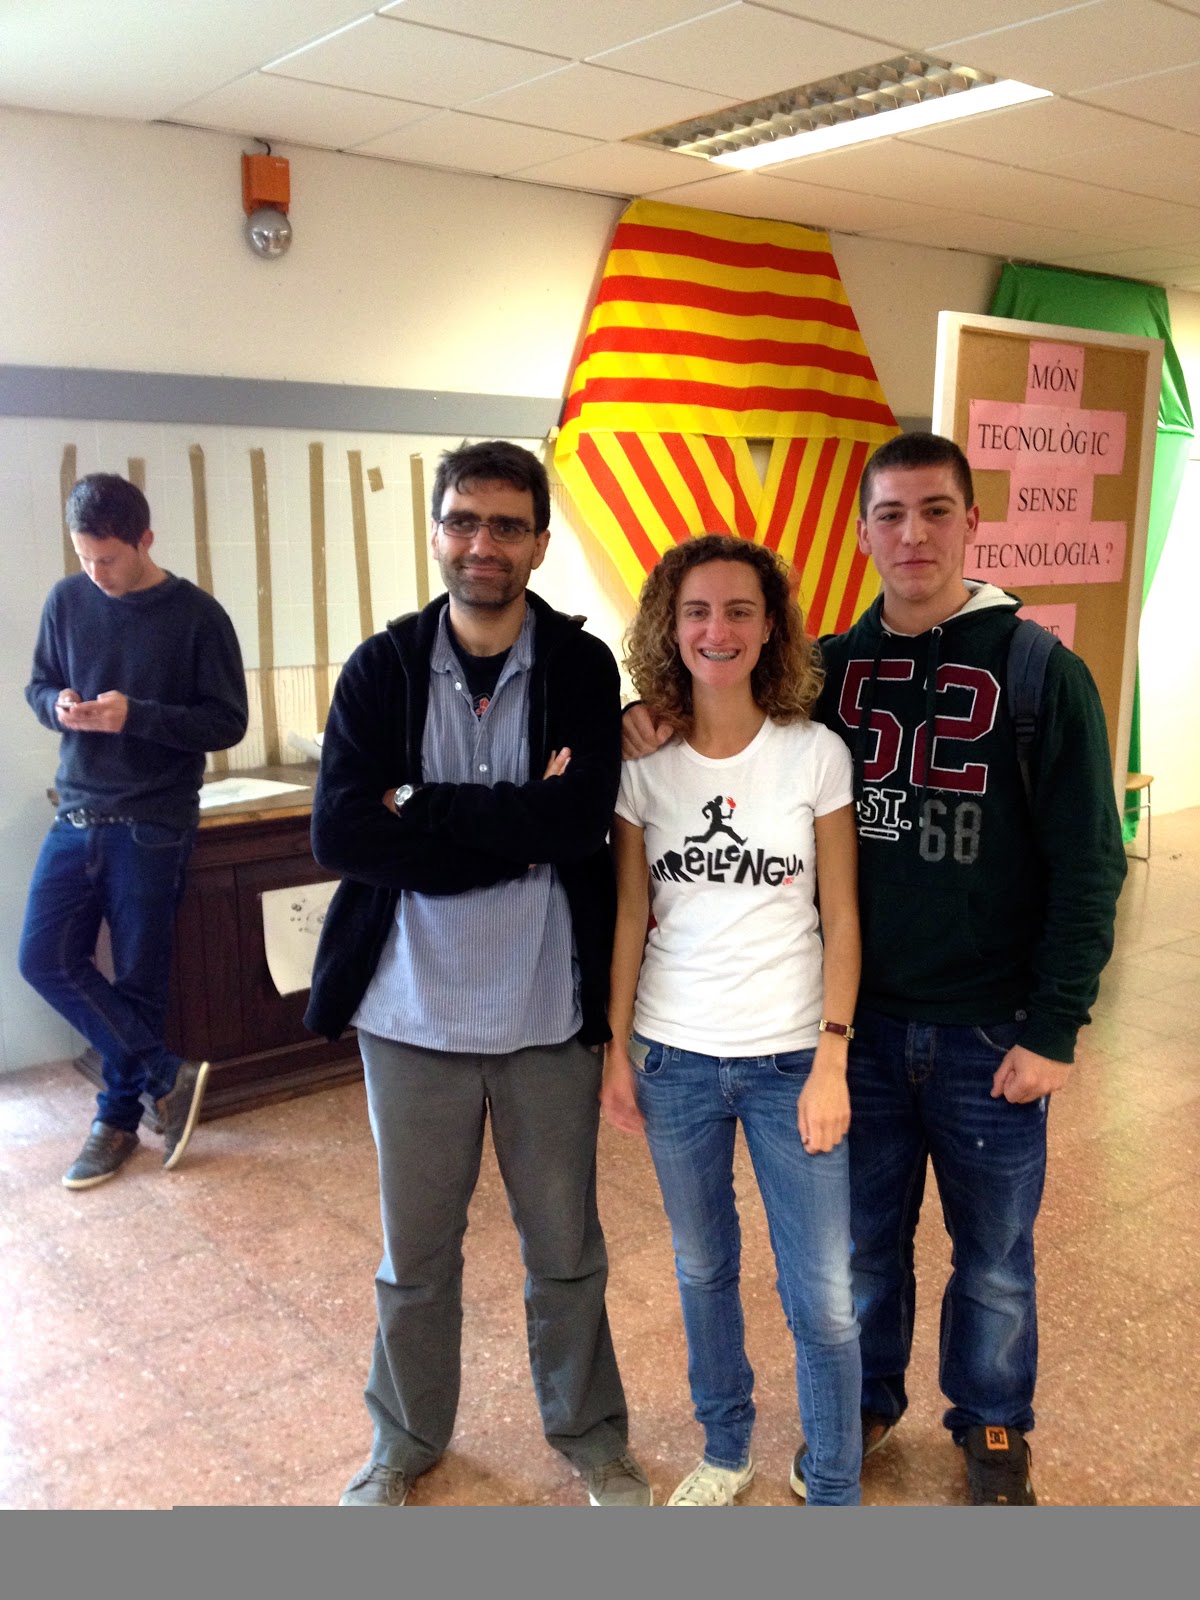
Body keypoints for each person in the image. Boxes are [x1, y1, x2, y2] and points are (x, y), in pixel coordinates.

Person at [625, 433, 1127, 1505]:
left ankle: (992, 1421)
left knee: (994, 1252)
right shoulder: (830, 673)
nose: (913, 534)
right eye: (890, 514)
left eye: (936, 510)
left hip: (991, 1027)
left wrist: (1056, 1027)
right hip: (854, 1028)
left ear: (972, 522)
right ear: (862, 533)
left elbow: (1090, 862)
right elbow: (728, 725)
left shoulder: (1040, 672)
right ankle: (868, 1397)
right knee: (862, 1248)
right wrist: (649, 714)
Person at [305, 439, 650, 1509]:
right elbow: (342, 835)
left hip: (546, 1013)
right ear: (437, 533)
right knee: (415, 1257)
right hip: (410, 1016)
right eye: (463, 520)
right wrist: (516, 827)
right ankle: (403, 1442)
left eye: (507, 524)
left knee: (566, 1251)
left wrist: (419, 807)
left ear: (540, 543)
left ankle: (592, 1436)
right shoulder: (382, 668)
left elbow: (577, 822)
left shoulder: (583, 668)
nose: (482, 542)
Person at [603, 534, 863, 1507]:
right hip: (674, 1057)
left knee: (823, 1295)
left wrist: (833, 1058)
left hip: (793, 1057)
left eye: (740, 610)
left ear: (770, 628)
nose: (719, 629)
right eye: (699, 611)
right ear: (671, 628)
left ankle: (833, 1478)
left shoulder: (814, 754)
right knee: (703, 1266)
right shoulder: (644, 767)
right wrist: (617, 1050)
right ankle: (726, 1446)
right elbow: (630, 913)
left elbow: (842, 916)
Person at [20, 473, 248, 1188]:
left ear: (145, 539)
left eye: (108, 558)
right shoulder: (66, 600)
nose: (95, 572)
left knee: (141, 982)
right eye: (84, 557)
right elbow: (37, 684)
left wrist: (136, 715)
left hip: (154, 822)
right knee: (41, 959)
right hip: (76, 812)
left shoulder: (198, 616)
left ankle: (114, 1124)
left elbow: (226, 722)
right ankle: (163, 1072)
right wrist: (55, 705)